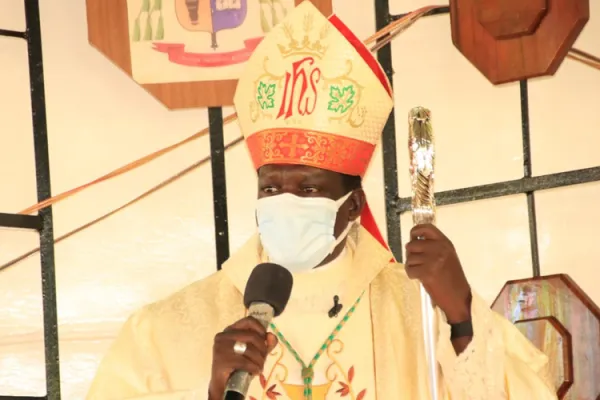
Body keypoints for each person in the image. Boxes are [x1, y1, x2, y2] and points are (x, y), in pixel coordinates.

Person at [86, 2, 557, 399]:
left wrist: (459, 316)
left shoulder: (415, 310)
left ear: (352, 207)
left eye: (308, 189)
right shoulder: (166, 331)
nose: (285, 202)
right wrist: (209, 392)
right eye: (271, 188)